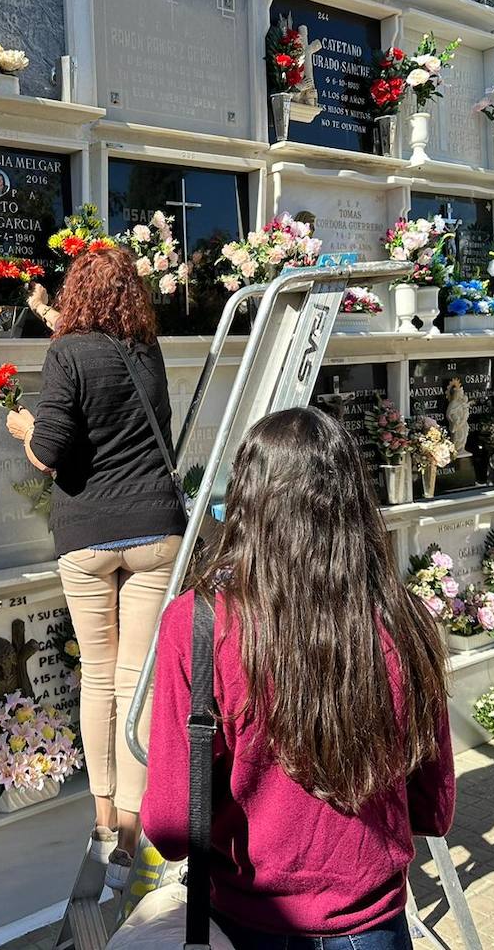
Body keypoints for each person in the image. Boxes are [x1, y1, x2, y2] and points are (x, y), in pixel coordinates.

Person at [141, 407, 455, 950]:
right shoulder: (404, 618)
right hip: (371, 917)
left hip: (245, 916)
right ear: (354, 501)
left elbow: (170, 825)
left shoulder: (199, 624)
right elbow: (434, 807)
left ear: (245, 502)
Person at [6, 245, 187, 888]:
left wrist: (23, 425)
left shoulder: (68, 353)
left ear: (75, 293)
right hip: (155, 532)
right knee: (140, 680)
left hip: (88, 535)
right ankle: (137, 827)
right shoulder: (145, 349)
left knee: (101, 678)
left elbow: (52, 451)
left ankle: (106, 816)